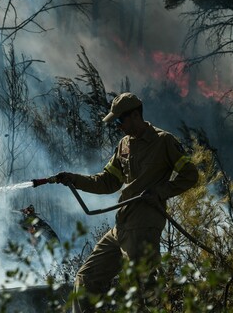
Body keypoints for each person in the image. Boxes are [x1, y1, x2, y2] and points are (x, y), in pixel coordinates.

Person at [54, 92, 199, 312]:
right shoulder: (124, 145)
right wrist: (74, 179)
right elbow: (108, 182)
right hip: (121, 226)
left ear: (134, 115)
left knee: (143, 291)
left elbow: (190, 175)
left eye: (121, 120)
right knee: (87, 278)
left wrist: (159, 192)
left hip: (144, 226)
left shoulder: (163, 141)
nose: (119, 126)